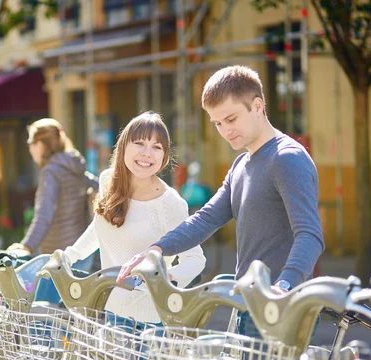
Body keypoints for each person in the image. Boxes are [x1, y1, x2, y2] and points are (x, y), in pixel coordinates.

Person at [118, 66, 324, 337]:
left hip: (280, 307)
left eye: (231, 119)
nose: (225, 131)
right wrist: (156, 249)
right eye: (217, 124)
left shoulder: (286, 159)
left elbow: (310, 235)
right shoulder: (242, 164)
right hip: (249, 304)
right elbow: (205, 219)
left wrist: (284, 286)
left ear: (258, 106)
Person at [40, 111, 206, 323]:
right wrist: (68, 256)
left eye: (157, 147)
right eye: (139, 143)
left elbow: (195, 259)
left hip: (149, 322)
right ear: (123, 146)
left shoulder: (169, 203)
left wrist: (164, 280)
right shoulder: (108, 180)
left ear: (164, 156)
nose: (147, 153)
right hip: (109, 311)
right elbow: (100, 226)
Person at [8, 118, 98, 303]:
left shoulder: (50, 172)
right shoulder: (76, 167)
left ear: (41, 144)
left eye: (31, 143)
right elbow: (100, 185)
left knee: (44, 313)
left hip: (60, 257)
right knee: (75, 312)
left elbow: (44, 215)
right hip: (82, 251)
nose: (30, 148)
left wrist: (26, 246)